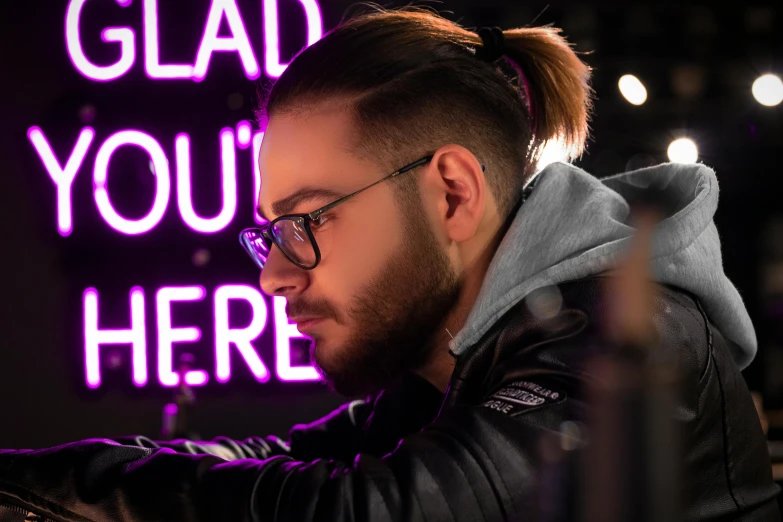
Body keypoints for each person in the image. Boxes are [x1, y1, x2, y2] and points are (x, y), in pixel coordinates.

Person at [0, 6, 779, 521]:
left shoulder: (633, 347)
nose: (272, 274)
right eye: (271, 230)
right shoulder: (463, 358)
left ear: (449, 194)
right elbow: (287, 458)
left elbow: (362, 512)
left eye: (307, 220)